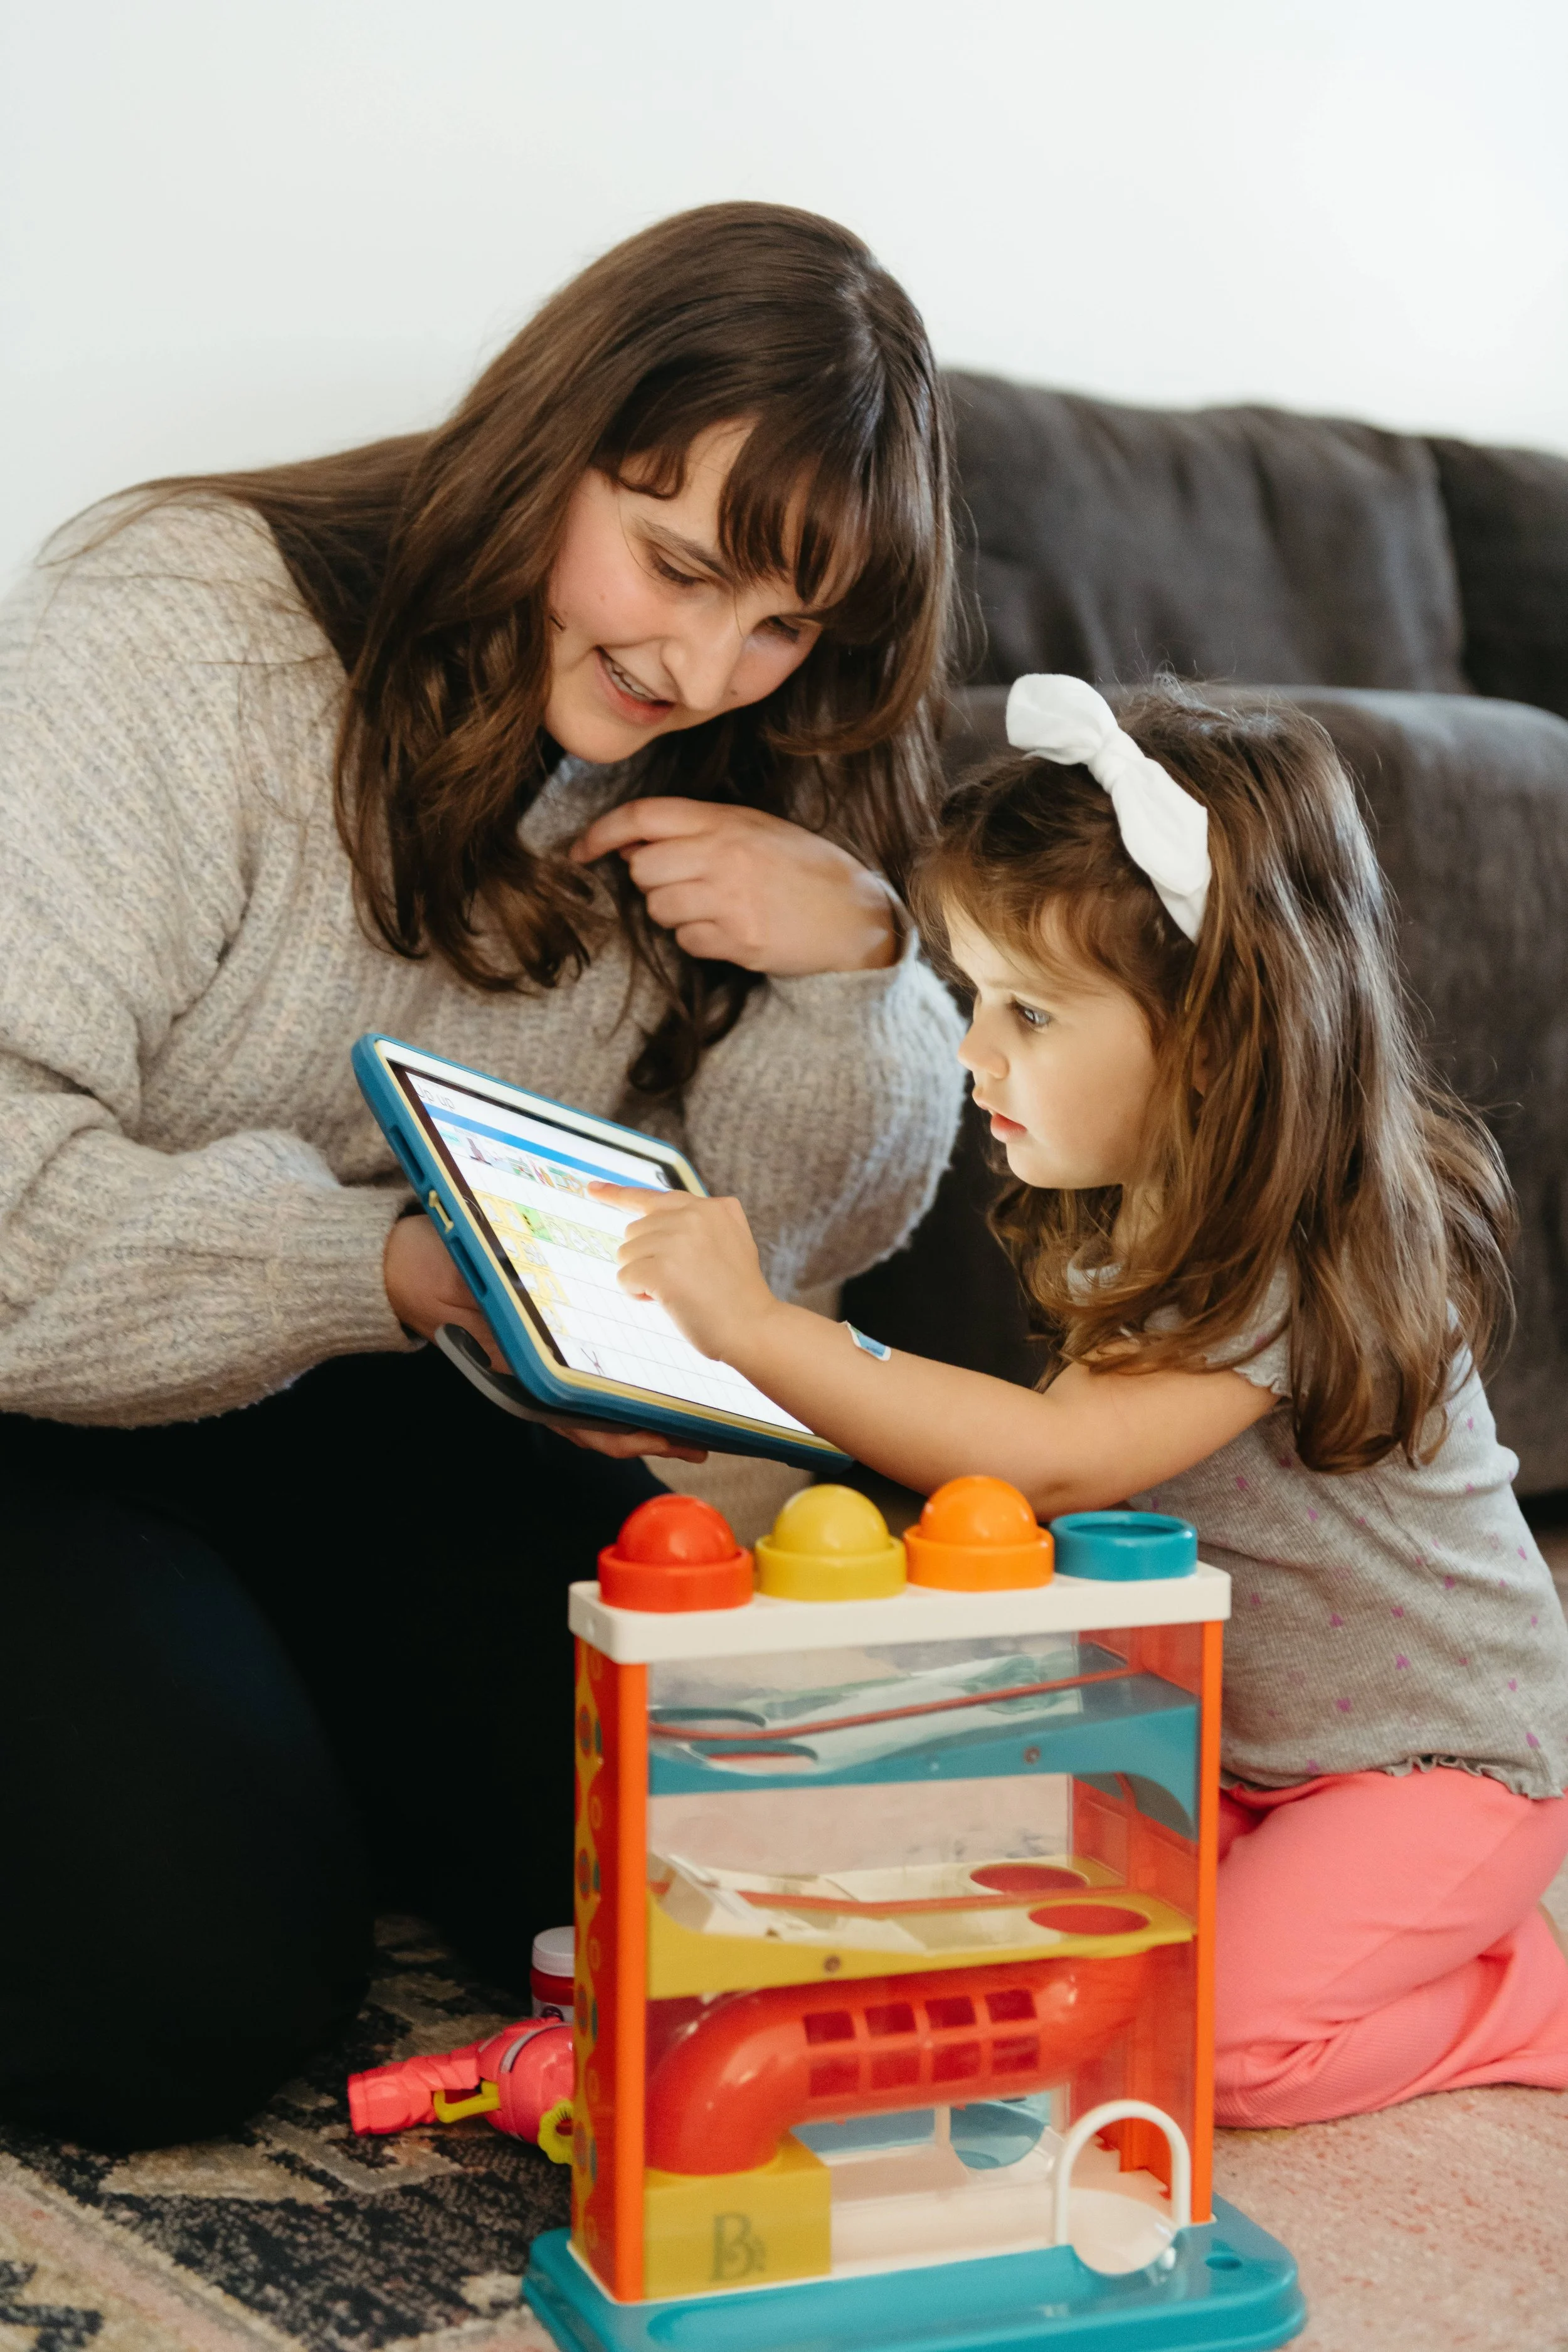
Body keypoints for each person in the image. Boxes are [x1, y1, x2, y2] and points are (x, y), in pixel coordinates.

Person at [0, 203, 965, 2147]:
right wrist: (396, 1266)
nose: (701, 660)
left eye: (781, 622)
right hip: (39, 1387)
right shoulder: (179, 631)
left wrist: (861, 966)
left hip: (348, 1401)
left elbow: (772, 1266)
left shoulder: (740, 750)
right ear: (552, 434)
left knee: (691, 1891)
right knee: (176, 2001)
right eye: (674, 562)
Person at [606, 670, 1568, 2127]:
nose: (972, 1052)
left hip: (1434, 1772)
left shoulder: (1286, 1254)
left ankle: (1528, 1996)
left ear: (1214, 1043)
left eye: (1031, 1016)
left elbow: (1050, 1463)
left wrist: (757, 1329)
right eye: (970, 996)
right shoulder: (1143, 1215)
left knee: (1215, 2054)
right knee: (1038, 1944)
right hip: (1249, 1752)